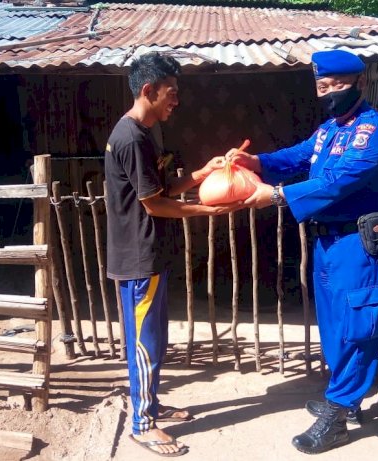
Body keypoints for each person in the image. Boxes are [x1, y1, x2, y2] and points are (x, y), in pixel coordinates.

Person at [227, 49, 378, 454]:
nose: (331, 92)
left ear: (359, 84)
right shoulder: (329, 130)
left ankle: (337, 416)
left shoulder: (373, 132)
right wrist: (256, 161)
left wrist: (278, 195)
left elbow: (339, 181)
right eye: (323, 86)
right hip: (326, 244)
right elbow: (297, 157)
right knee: (336, 328)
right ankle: (346, 397)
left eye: (338, 85)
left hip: (358, 246)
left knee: (358, 327)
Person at [104, 52, 239, 457]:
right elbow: (154, 205)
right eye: (171, 93)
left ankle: (152, 403)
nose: (176, 101)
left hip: (151, 253)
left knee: (156, 339)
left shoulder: (147, 134)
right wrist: (207, 209)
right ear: (149, 91)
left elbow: (162, 190)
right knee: (144, 341)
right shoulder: (130, 138)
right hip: (138, 257)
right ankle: (142, 423)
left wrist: (201, 174)